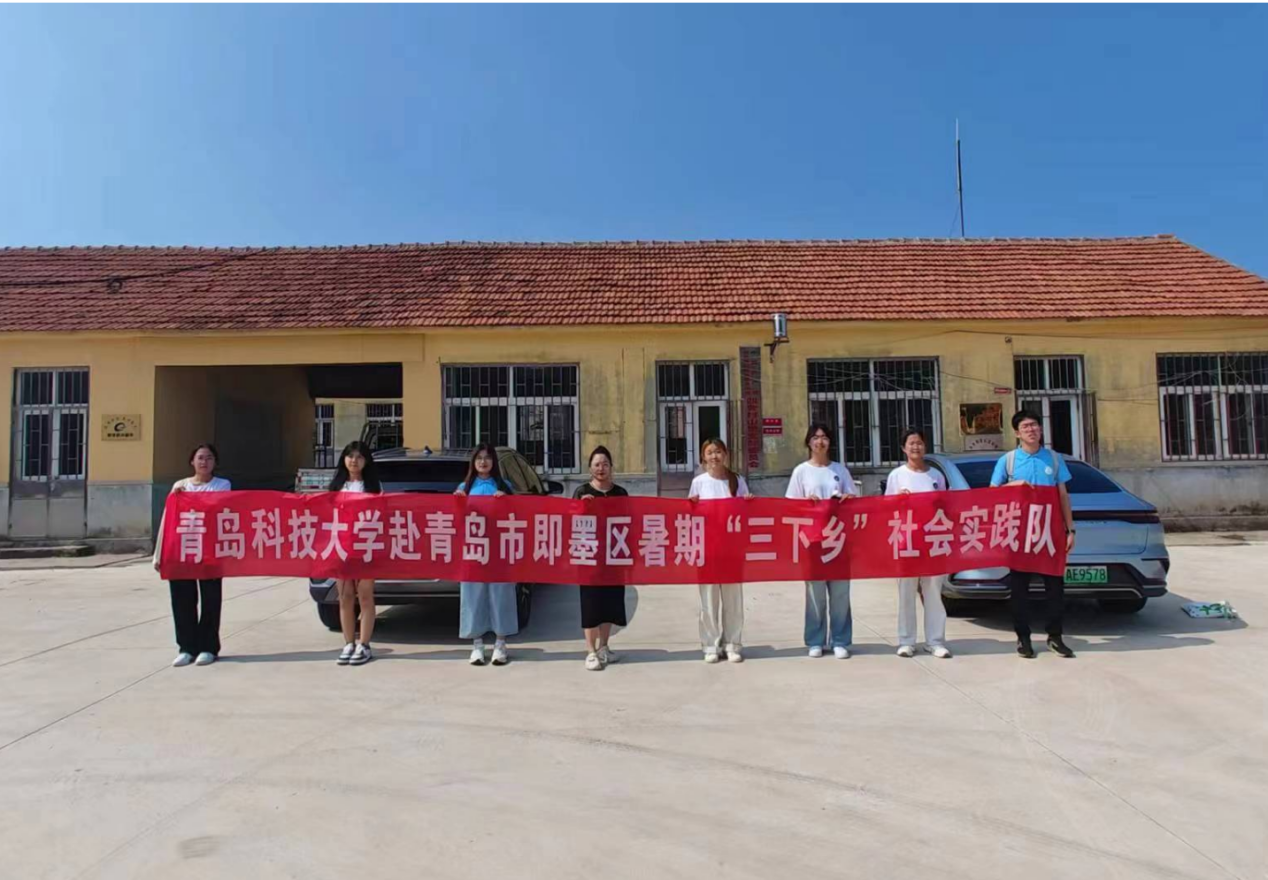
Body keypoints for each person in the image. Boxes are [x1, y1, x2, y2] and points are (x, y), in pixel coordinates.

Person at [990, 409, 1077, 659]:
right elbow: (992, 492)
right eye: (1026, 426)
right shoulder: (1008, 461)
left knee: (1055, 587)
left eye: (1035, 425)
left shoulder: (1053, 459)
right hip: (1020, 532)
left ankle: (1055, 637)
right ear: (1017, 433)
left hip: (1050, 531)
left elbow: (1062, 496)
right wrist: (1014, 485)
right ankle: (1023, 638)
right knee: (1020, 588)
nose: (1031, 430)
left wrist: (1070, 529)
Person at [785, 422, 857, 659]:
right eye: (815, 437)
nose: (820, 441)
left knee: (840, 594)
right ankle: (815, 640)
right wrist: (807, 503)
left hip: (838, 540)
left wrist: (847, 498)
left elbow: (854, 500)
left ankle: (840, 640)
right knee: (815, 595)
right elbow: (790, 505)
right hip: (813, 542)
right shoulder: (801, 471)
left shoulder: (840, 470)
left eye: (824, 437)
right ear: (809, 442)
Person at [158, 444, 230, 668]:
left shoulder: (222, 485)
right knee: (182, 599)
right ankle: (186, 647)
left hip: (210, 550)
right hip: (183, 549)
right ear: (192, 461)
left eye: (209, 458)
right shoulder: (179, 486)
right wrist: (160, 554)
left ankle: (208, 647)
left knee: (210, 599)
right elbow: (168, 519)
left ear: (215, 462)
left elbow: (220, 508)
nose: (204, 462)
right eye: (200, 458)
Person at [885, 428, 952, 659]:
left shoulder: (936, 476)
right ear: (904, 448)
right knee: (906, 593)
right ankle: (906, 641)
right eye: (911, 443)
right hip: (907, 541)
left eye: (920, 443)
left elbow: (946, 506)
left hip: (933, 540)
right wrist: (899, 500)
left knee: (933, 592)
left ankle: (935, 641)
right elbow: (885, 509)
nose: (916, 447)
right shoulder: (897, 476)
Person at [688, 437, 752, 664]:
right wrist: (692, 505)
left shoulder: (737, 481)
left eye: (718, 452)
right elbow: (690, 518)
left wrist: (748, 502)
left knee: (732, 599)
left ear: (725, 455)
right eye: (709, 452)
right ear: (703, 457)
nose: (714, 456)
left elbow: (747, 515)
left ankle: (732, 643)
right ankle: (710, 644)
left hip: (732, 549)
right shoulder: (699, 483)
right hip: (707, 550)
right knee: (709, 599)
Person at [454, 443, 517, 666]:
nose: (483, 462)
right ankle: (477, 644)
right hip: (473, 550)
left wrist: (507, 501)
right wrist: (457, 502)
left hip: (499, 550)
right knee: (473, 595)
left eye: (487, 458)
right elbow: (455, 520)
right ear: (473, 462)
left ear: (493, 462)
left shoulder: (504, 486)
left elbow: (518, 515)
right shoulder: (464, 487)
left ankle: (500, 643)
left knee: (501, 594)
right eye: (479, 458)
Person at [575, 446, 629, 671]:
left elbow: (629, 522)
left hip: (614, 557)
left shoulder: (621, 493)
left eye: (605, 464)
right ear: (590, 468)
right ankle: (590, 650)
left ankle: (604, 647)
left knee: (610, 603)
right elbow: (570, 521)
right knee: (591, 603)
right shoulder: (581, 491)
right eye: (596, 464)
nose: (601, 468)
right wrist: (581, 507)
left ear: (611, 467)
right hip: (589, 557)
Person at [329, 441, 382, 666]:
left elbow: (381, 515)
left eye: (359, 457)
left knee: (365, 595)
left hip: (366, 548)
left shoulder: (373, 486)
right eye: (350, 456)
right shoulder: (336, 486)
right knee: (345, 596)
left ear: (366, 461)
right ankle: (349, 643)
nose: (354, 461)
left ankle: (364, 644)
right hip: (341, 547)